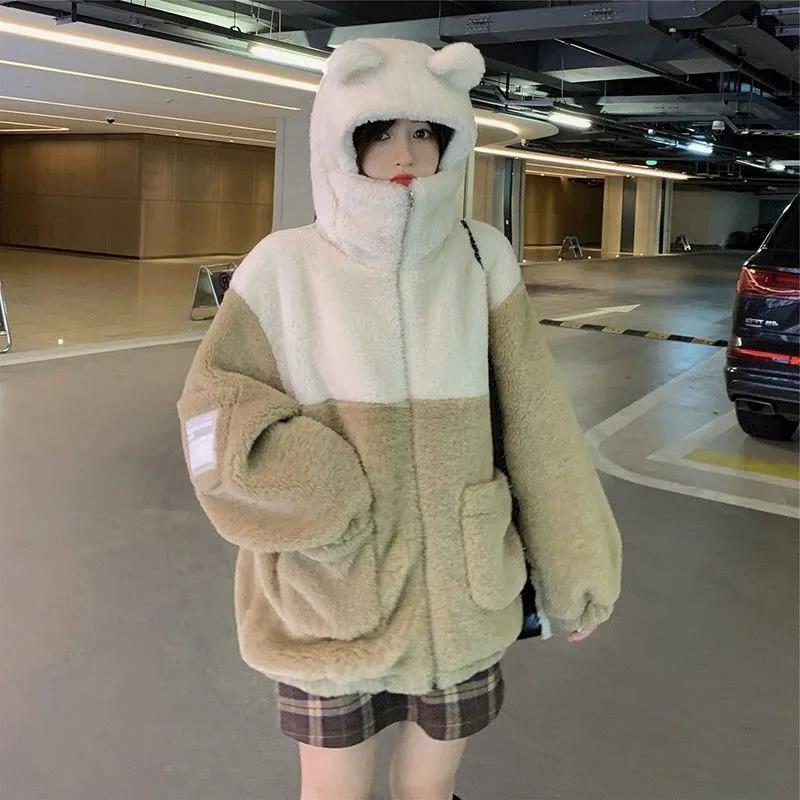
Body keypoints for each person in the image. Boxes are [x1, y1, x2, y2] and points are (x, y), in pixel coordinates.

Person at [177, 37, 622, 800]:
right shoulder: (282, 267)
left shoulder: (481, 258)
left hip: (461, 591)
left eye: (425, 131)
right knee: (333, 789)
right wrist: (320, 494)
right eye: (378, 132)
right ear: (339, 138)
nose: (405, 153)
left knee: (430, 786)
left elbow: (538, 421)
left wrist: (576, 568)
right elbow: (209, 418)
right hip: (329, 591)